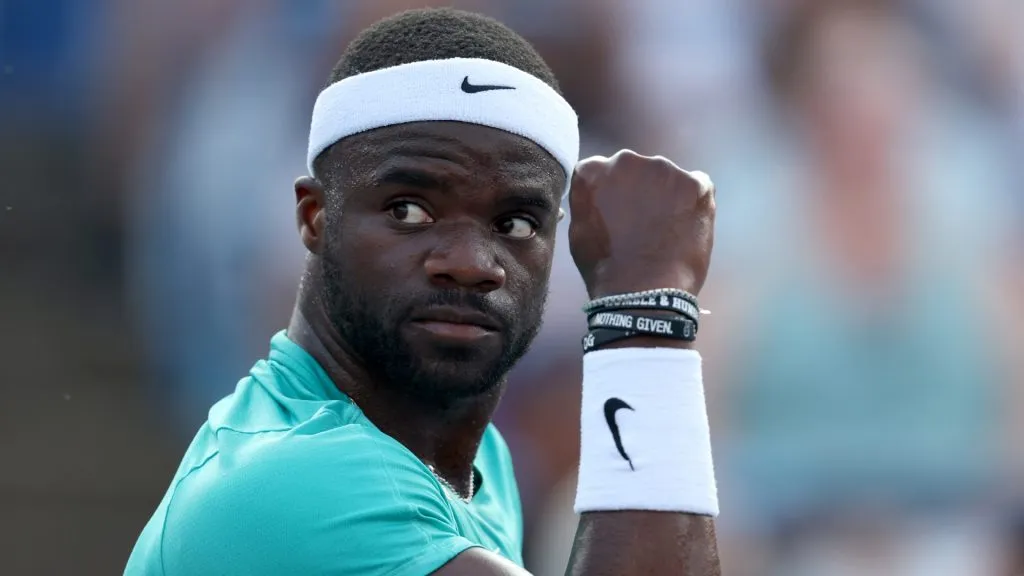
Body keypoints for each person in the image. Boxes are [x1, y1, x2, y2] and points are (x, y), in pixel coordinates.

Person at [125, 8, 721, 575]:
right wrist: (646, 308)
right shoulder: (302, 481)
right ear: (315, 216)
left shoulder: (476, 458)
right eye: (408, 210)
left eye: (514, 223)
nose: (469, 263)